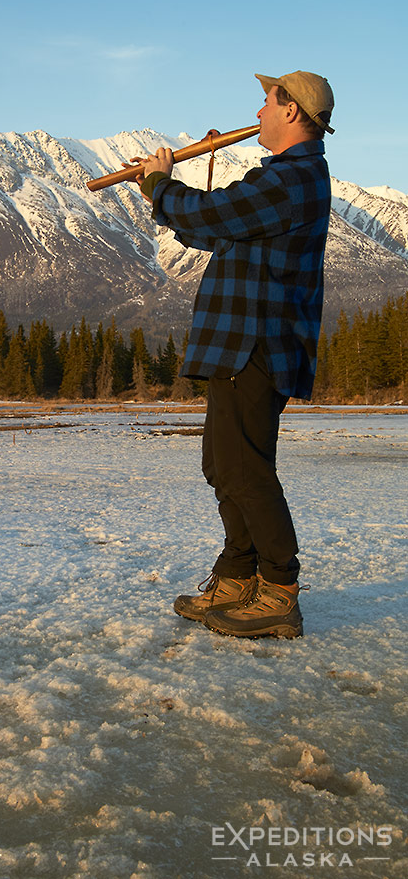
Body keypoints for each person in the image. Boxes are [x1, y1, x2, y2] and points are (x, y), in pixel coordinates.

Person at [133, 71, 334, 638]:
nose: (260, 110)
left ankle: (278, 591)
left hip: (258, 344)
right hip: (238, 343)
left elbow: (216, 216)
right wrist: (166, 200)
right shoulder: (276, 181)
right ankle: (237, 575)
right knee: (223, 467)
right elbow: (215, 230)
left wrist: (163, 188)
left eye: (268, 102)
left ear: (292, 112)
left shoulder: (293, 179)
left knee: (246, 469)